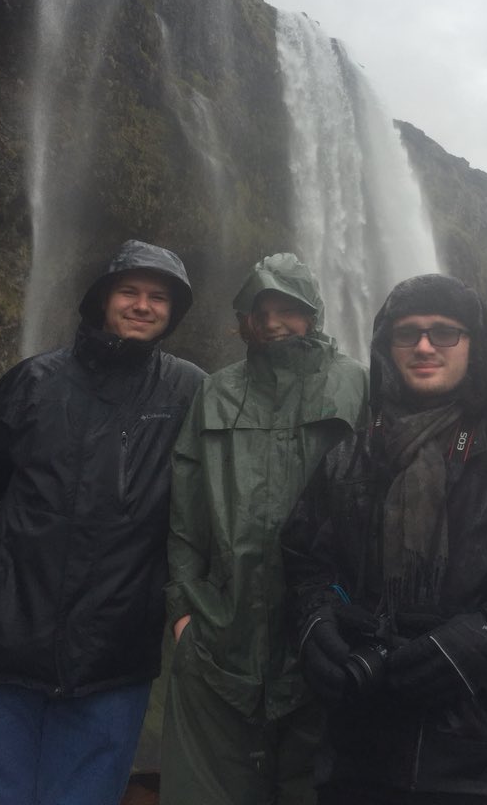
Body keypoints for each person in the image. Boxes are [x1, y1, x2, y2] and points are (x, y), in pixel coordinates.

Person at [282, 273, 487, 805]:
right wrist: (316, 623)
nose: (425, 346)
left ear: (474, 346)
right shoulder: (346, 462)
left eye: (444, 332)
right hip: (361, 760)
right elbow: (306, 568)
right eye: (406, 333)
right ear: (385, 349)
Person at [0, 239, 205, 805]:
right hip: (8, 635)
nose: (142, 305)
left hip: (114, 652)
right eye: (128, 291)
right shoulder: (33, 380)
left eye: (158, 297)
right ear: (101, 300)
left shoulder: (190, 390)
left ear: (173, 312)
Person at [160, 252, 369, 805]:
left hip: (324, 639)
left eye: (289, 308)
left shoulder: (355, 383)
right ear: (245, 318)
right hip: (219, 639)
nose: (274, 320)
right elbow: (186, 507)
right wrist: (183, 609)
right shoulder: (217, 389)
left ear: (313, 314)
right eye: (262, 307)